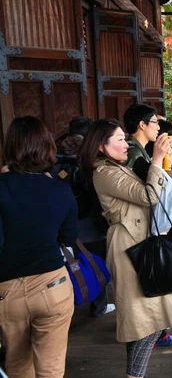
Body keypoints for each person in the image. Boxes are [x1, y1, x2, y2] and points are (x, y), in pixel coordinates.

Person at [78, 119, 172, 378]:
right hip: (129, 247)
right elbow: (148, 195)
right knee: (145, 321)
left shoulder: (115, 167)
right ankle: (134, 375)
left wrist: (164, 163)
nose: (125, 143)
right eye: (118, 139)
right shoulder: (104, 172)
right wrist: (156, 157)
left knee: (145, 320)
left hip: (139, 242)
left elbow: (156, 190)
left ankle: (135, 375)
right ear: (102, 147)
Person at [0, 116, 78, 378]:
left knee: (17, 366)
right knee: (52, 367)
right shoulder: (60, 190)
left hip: (6, 290)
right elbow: (68, 237)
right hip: (51, 284)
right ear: (47, 147)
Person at [123, 105, 172, 348]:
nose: (159, 127)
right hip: (137, 228)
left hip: (145, 224)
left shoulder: (141, 151)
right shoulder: (133, 154)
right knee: (148, 289)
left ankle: (157, 333)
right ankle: (152, 337)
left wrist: (163, 159)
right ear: (142, 124)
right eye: (155, 122)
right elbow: (152, 192)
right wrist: (160, 160)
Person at [51, 116, 115, 317]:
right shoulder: (86, 155)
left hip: (59, 219)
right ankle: (99, 305)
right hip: (87, 220)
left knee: (67, 263)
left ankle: (67, 305)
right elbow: (90, 189)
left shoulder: (53, 152)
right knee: (96, 261)